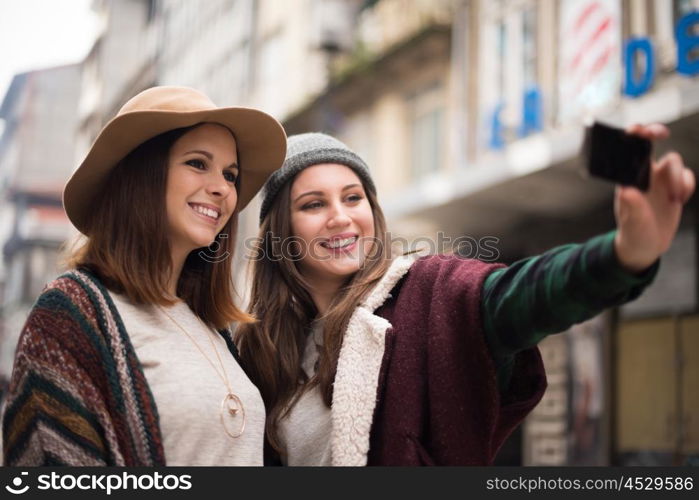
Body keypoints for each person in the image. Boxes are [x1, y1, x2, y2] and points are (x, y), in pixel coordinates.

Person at [236, 126, 695, 466]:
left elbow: (525, 295)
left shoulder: (430, 291)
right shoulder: (258, 349)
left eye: (353, 198)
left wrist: (625, 253)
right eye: (314, 204)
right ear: (282, 229)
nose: (340, 217)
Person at [2, 86, 286, 466]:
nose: (222, 188)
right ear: (142, 175)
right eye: (198, 163)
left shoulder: (215, 329)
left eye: (231, 174)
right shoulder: (69, 314)